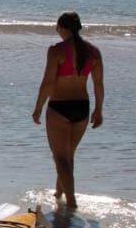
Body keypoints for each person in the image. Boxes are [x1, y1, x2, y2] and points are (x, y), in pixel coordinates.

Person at [31, 12, 104, 211]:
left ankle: (71, 202)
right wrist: (99, 110)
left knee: (60, 157)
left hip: (60, 107)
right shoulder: (93, 52)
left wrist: (38, 107)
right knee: (68, 155)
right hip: (82, 107)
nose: (57, 31)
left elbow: (47, 83)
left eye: (57, 27)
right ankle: (59, 194)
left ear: (63, 28)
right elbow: (98, 84)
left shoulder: (56, 51)